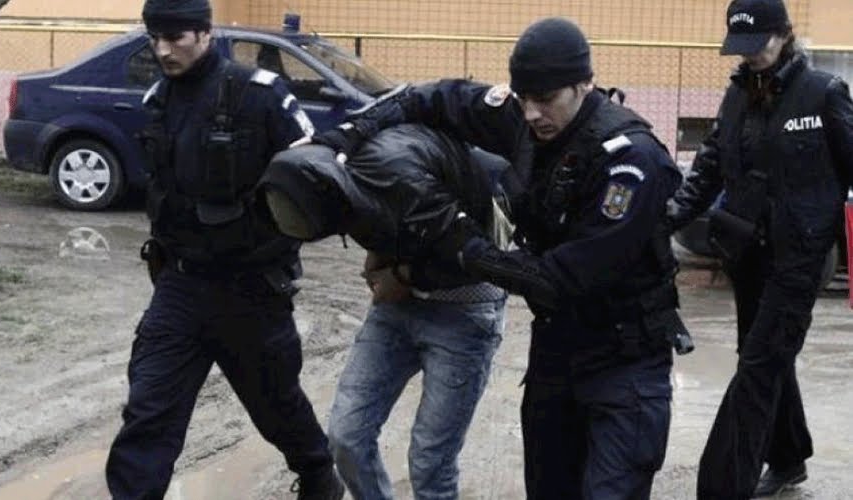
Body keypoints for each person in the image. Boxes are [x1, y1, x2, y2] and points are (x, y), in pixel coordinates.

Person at [309, 17, 687, 499]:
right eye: (523, 98)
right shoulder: (527, 117)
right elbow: (424, 98)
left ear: (584, 84)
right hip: (557, 353)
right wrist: (344, 137)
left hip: (624, 362)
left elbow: (559, 280)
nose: (531, 113)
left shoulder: (629, 162)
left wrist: (466, 246)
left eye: (545, 99)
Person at [104, 1, 344, 498]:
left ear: (205, 32)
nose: (163, 50)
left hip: (251, 290)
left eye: (176, 37)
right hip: (181, 285)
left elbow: (316, 177)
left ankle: (320, 476)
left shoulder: (260, 96)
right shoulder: (159, 99)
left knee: (276, 405)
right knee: (149, 412)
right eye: (155, 38)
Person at [257, 125, 509, 499]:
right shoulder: (345, 174)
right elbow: (383, 223)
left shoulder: (413, 177)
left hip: (466, 311)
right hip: (396, 310)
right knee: (346, 437)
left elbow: (482, 258)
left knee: (430, 462)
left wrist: (403, 276)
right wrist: (380, 258)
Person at [664, 0, 853, 497]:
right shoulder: (736, 96)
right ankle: (788, 459)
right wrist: (664, 219)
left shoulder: (824, 94)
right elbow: (708, 167)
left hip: (801, 256)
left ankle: (723, 487)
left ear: (785, 34)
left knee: (758, 366)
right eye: (742, 47)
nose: (751, 55)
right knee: (763, 355)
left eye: (760, 44)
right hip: (748, 251)